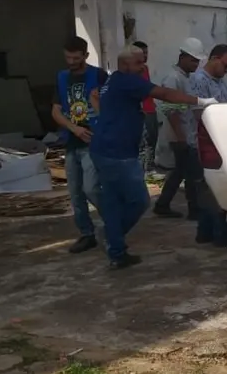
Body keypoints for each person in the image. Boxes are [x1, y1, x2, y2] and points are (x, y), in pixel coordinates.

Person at [90, 46, 218, 269]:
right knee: (139, 201)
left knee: (113, 201)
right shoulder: (129, 81)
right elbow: (165, 95)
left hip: (105, 149)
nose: (144, 67)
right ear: (126, 65)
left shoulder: (115, 81)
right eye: (140, 63)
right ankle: (112, 236)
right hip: (117, 153)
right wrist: (201, 101)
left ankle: (116, 251)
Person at [51, 36, 108, 254]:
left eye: (76, 58)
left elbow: (110, 107)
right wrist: (73, 128)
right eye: (68, 57)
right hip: (72, 141)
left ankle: (113, 222)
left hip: (93, 142)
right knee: (75, 192)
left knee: (91, 188)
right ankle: (87, 234)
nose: (71, 61)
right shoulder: (62, 77)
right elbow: (56, 111)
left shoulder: (99, 76)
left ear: (85, 55)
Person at [190, 44, 227, 248]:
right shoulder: (198, 81)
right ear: (213, 59)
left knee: (210, 187)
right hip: (203, 140)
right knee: (214, 187)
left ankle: (205, 231)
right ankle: (221, 232)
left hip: (218, 140)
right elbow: (200, 113)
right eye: (225, 66)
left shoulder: (220, 83)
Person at [153, 38, 204, 219]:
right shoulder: (173, 78)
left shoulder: (185, 78)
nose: (196, 64)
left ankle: (163, 204)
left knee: (180, 171)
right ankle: (194, 209)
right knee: (192, 173)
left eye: (198, 61)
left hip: (185, 132)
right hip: (178, 134)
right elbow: (169, 109)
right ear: (182, 57)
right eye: (193, 60)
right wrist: (181, 136)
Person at [134, 41, 159, 174]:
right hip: (143, 111)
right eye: (142, 53)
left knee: (153, 138)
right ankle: (145, 169)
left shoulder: (145, 68)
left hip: (151, 108)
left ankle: (150, 166)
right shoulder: (133, 71)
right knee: (145, 141)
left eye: (146, 53)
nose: (145, 56)